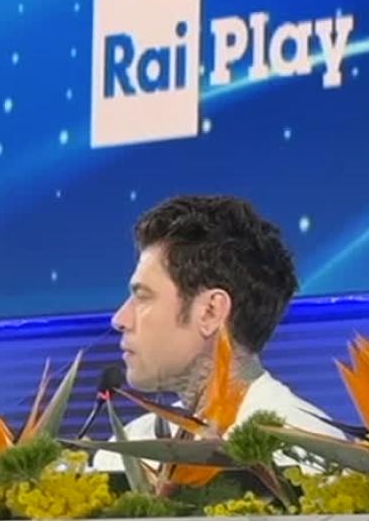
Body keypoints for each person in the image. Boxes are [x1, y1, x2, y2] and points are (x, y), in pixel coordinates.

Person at [91, 195, 342, 471]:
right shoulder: (127, 448)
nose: (119, 319)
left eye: (143, 296)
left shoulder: (307, 453)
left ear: (211, 312)